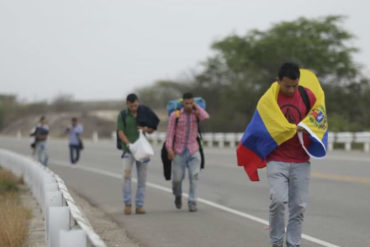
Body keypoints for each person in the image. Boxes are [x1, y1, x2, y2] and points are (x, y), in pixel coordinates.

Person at [266, 63, 316, 247]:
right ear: (278, 81)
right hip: (276, 158)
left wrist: (309, 127)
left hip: (301, 159)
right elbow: (261, 124)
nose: (291, 89)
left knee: (299, 207)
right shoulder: (269, 99)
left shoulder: (307, 96)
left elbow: (318, 119)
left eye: (295, 85)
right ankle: (276, 242)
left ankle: (293, 244)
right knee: (278, 201)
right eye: (287, 86)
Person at [165, 92, 209, 212]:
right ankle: (178, 195)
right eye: (186, 103)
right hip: (178, 151)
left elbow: (206, 117)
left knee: (194, 177)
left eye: (190, 103)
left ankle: (192, 201)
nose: (188, 105)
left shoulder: (196, 114)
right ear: (182, 103)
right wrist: (169, 149)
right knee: (177, 179)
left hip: (193, 150)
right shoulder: (176, 115)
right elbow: (170, 134)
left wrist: (196, 107)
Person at [117, 93, 159, 215]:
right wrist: (129, 144)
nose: (134, 108)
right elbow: (120, 132)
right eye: (131, 106)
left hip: (142, 151)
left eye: (135, 105)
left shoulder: (144, 113)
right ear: (127, 104)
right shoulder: (123, 115)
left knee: (142, 179)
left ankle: (140, 205)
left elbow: (152, 129)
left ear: (138, 102)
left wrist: (145, 129)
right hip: (128, 150)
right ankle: (127, 203)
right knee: (126, 177)